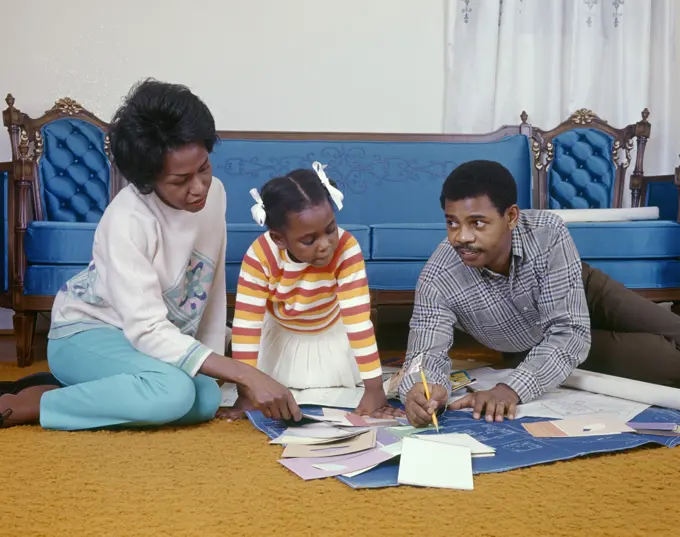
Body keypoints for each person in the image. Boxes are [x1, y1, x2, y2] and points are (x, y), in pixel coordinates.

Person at [0, 78, 302, 430]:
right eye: (179, 180)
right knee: (172, 393)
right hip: (86, 333)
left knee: (205, 397)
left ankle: (96, 390)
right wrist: (246, 373)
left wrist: (231, 377)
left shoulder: (214, 195)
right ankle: (36, 402)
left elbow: (210, 292)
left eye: (203, 168)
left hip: (147, 341)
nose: (198, 187)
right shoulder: (127, 220)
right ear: (147, 181)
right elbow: (146, 331)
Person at [399, 159, 680, 427]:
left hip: (584, 291)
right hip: (532, 343)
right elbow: (425, 354)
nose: (462, 237)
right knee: (670, 362)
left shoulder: (548, 231)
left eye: (477, 223)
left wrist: (510, 389)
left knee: (675, 330)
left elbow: (570, 327)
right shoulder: (438, 276)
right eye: (452, 223)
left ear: (510, 217)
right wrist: (422, 389)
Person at [223, 162, 402, 419]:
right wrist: (245, 392)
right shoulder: (259, 256)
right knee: (275, 385)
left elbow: (358, 321)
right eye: (309, 240)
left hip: (332, 331)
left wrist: (375, 389)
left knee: (336, 389)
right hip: (282, 333)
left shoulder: (347, 248)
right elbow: (246, 327)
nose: (325, 245)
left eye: (330, 229)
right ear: (279, 239)